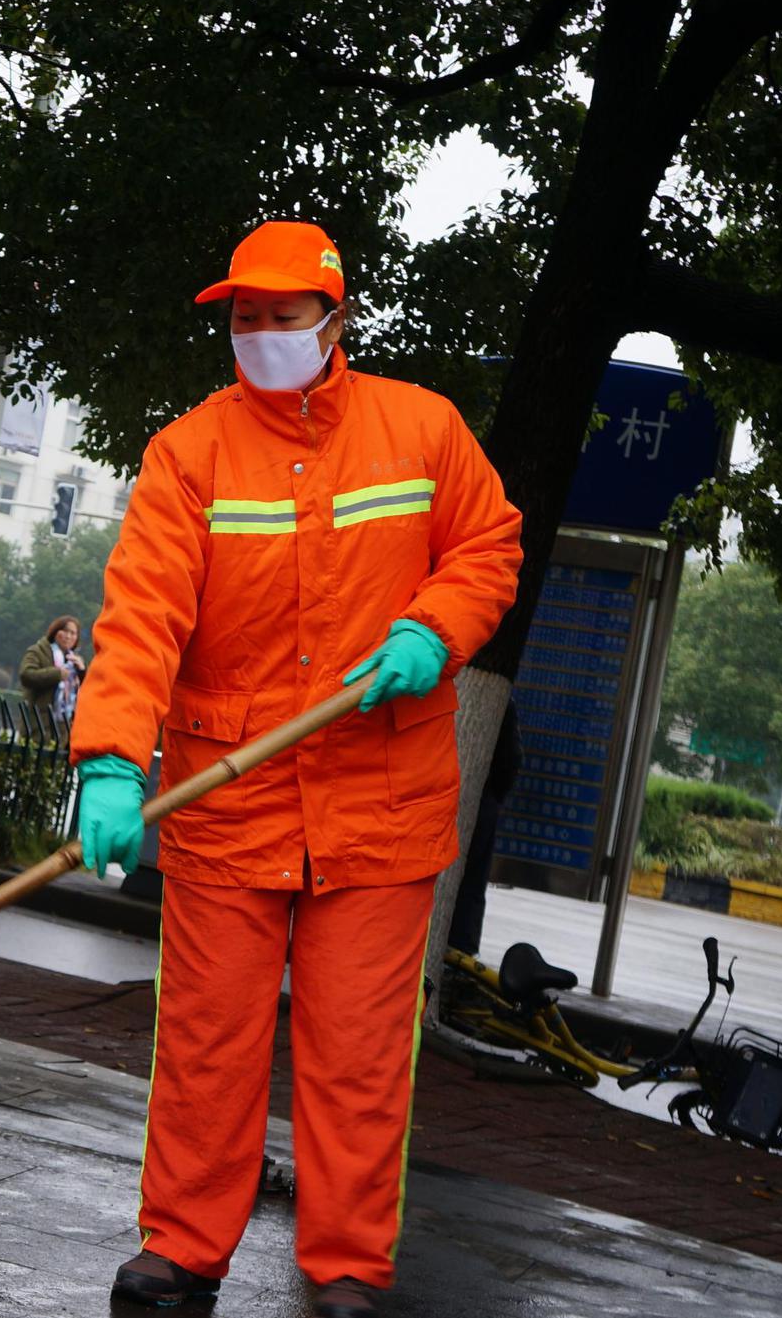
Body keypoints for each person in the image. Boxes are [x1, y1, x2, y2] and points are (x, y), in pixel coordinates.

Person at [72, 221, 523, 1316]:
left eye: (282, 315)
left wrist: (433, 629)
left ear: (335, 322)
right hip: (229, 800)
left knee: (358, 1056)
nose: (260, 334)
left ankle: (343, 1268)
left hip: (377, 801)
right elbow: (141, 620)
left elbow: (487, 544)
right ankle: (180, 1247)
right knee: (206, 1044)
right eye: (243, 317)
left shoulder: (420, 429)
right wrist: (108, 759)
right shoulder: (189, 453)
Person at [445, 698, 521, 958]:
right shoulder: (500, 701)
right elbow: (510, 763)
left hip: (470, 804)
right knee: (470, 885)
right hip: (483, 803)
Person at [18, 615, 86, 729]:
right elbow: (26, 675)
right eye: (65, 631)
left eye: (73, 633)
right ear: (55, 631)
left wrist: (82, 671)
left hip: (65, 727)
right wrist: (57, 674)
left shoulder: (76, 662)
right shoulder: (38, 651)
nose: (68, 636)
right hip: (38, 723)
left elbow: (87, 691)